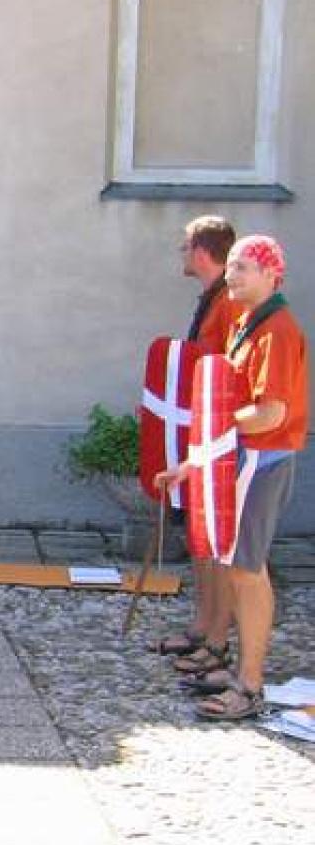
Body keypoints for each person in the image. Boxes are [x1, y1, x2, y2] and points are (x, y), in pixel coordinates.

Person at [157, 235, 306, 722]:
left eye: (242, 268)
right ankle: (237, 667)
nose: (232, 276)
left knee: (247, 568)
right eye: (233, 266)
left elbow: (270, 413)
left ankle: (250, 684)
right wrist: (193, 460)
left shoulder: (277, 330)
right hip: (240, 458)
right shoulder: (248, 321)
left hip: (263, 462)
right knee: (234, 562)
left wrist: (219, 419)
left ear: (270, 275)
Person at [152, 215, 239, 670]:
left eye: (185, 246)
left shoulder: (228, 303)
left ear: (202, 251)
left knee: (218, 540)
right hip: (199, 432)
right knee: (199, 535)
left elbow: (224, 371)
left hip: (221, 437)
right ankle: (202, 626)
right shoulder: (211, 299)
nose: (181, 254)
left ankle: (219, 638)